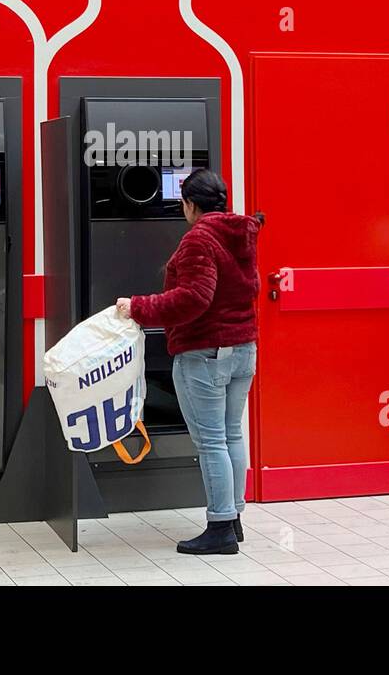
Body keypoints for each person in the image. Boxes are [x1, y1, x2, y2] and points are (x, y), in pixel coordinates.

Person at [115, 168, 260, 555]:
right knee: (230, 435)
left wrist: (138, 307)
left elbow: (195, 297)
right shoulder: (240, 233)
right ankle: (233, 519)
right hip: (243, 349)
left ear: (191, 205)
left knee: (212, 441)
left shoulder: (199, 238)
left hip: (206, 353)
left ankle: (220, 530)